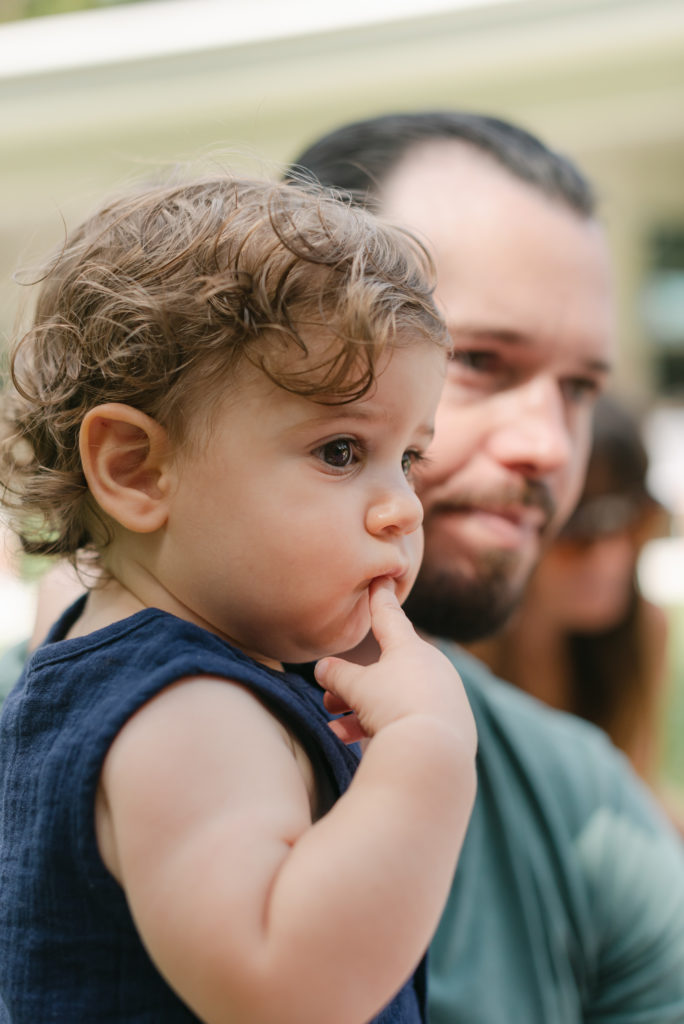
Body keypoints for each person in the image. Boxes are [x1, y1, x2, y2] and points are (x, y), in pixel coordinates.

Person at [0, 175, 477, 1023]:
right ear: (135, 469)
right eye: (339, 451)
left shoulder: (134, 653)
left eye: (409, 458)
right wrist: (428, 752)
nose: (401, 508)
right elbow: (285, 991)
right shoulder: (187, 712)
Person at [289, 111, 684, 1022]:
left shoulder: (581, 805)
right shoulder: (37, 735)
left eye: (580, 387)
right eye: (475, 360)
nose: (549, 447)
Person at [467, 393, 670, 781]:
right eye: (581, 530)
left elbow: (636, 791)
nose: (612, 556)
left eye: (632, 519)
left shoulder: (644, 629)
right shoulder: (460, 656)